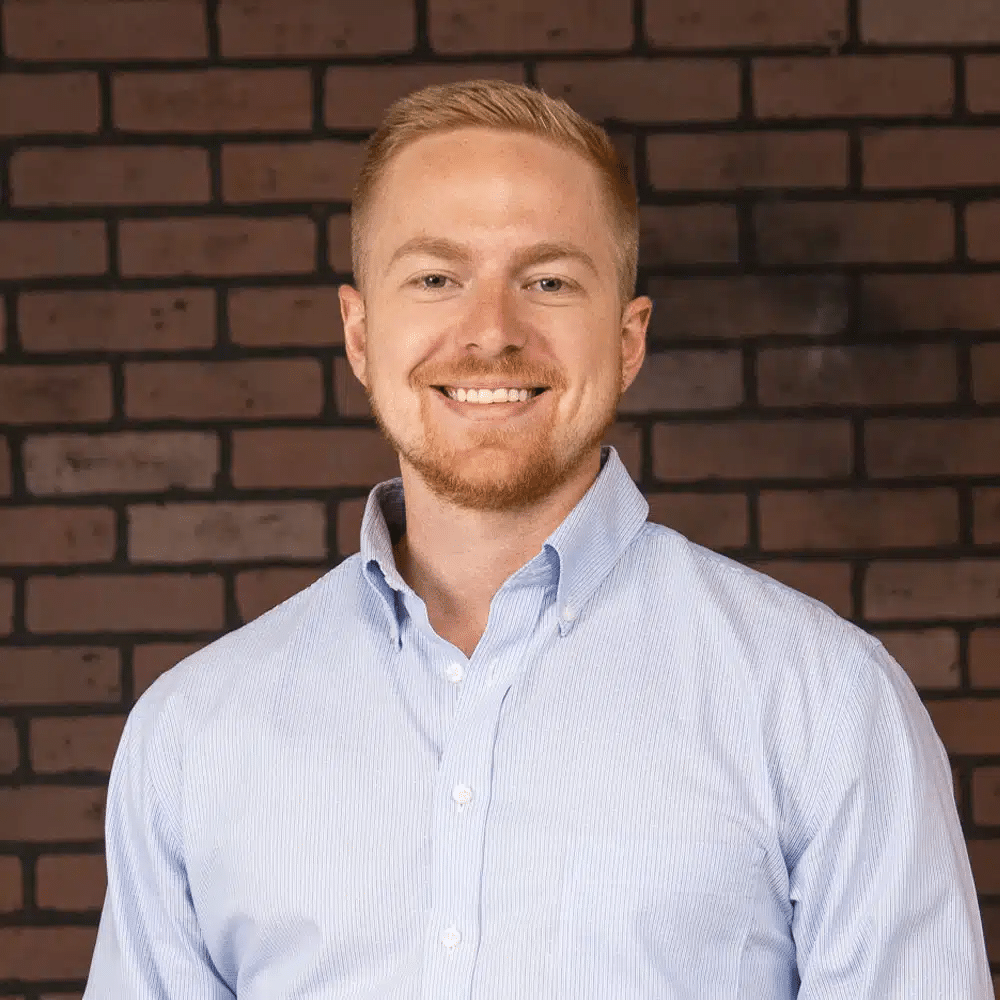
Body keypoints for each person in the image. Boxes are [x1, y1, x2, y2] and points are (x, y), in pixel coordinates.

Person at [84, 79, 993, 998]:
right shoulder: (194, 733)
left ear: (629, 339)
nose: (491, 334)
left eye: (548, 281)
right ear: (359, 333)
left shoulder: (824, 704)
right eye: (436, 278)